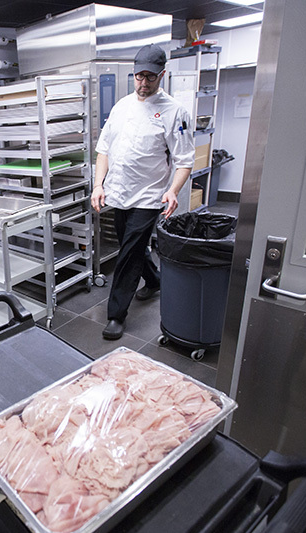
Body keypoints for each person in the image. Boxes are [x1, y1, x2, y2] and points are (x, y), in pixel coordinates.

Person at [91, 44, 195, 341]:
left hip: (149, 196)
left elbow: (185, 160)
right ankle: (155, 279)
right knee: (131, 245)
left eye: (150, 77)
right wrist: (99, 185)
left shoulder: (175, 111)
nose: (144, 83)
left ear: (162, 74)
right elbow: (104, 151)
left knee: (128, 253)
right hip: (118, 192)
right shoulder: (122, 106)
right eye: (139, 76)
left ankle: (115, 315)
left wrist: (173, 191)